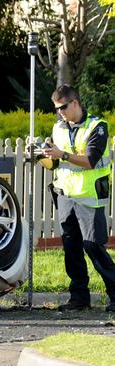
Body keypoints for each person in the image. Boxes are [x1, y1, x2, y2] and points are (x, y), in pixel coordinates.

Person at [42, 84, 115, 312]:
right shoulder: (58, 128)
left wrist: (61, 154)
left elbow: (91, 160)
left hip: (89, 196)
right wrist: (44, 155)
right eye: (57, 108)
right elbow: (54, 162)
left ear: (75, 103)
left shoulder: (98, 126)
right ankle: (79, 298)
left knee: (93, 245)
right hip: (65, 195)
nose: (60, 112)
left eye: (63, 107)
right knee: (71, 247)